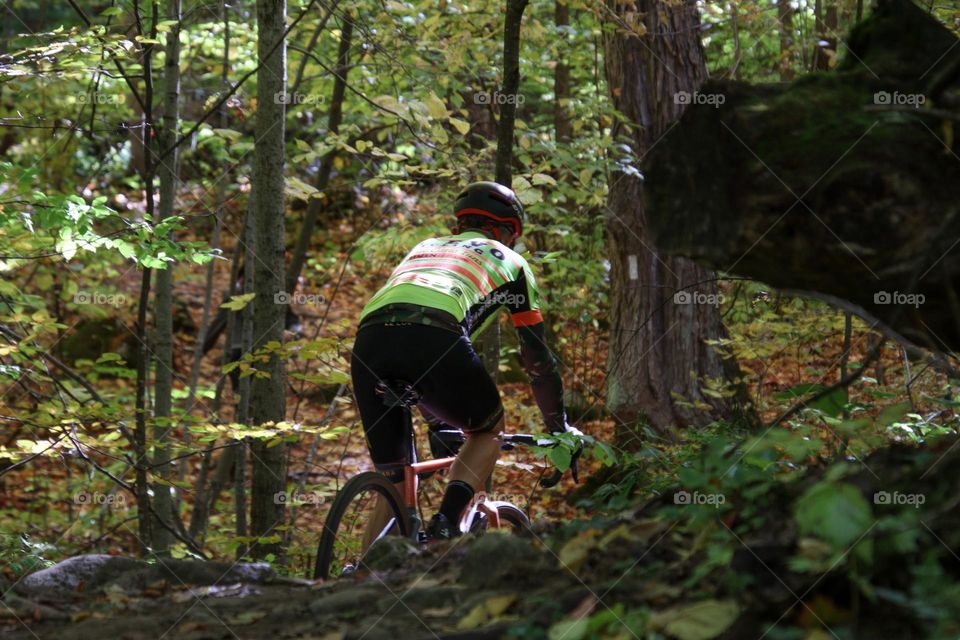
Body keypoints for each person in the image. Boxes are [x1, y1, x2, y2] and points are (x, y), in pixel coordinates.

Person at [350, 181, 579, 540]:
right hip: (435, 335)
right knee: (488, 429)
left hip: (368, 341)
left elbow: (406, 331)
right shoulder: (513, 263)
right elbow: (537, 358)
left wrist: (438, 422)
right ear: (506, 231)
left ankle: (362, 577)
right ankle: (446, 523)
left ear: (460, 225)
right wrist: (557, 426)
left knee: (395, 478)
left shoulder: (425, 246)